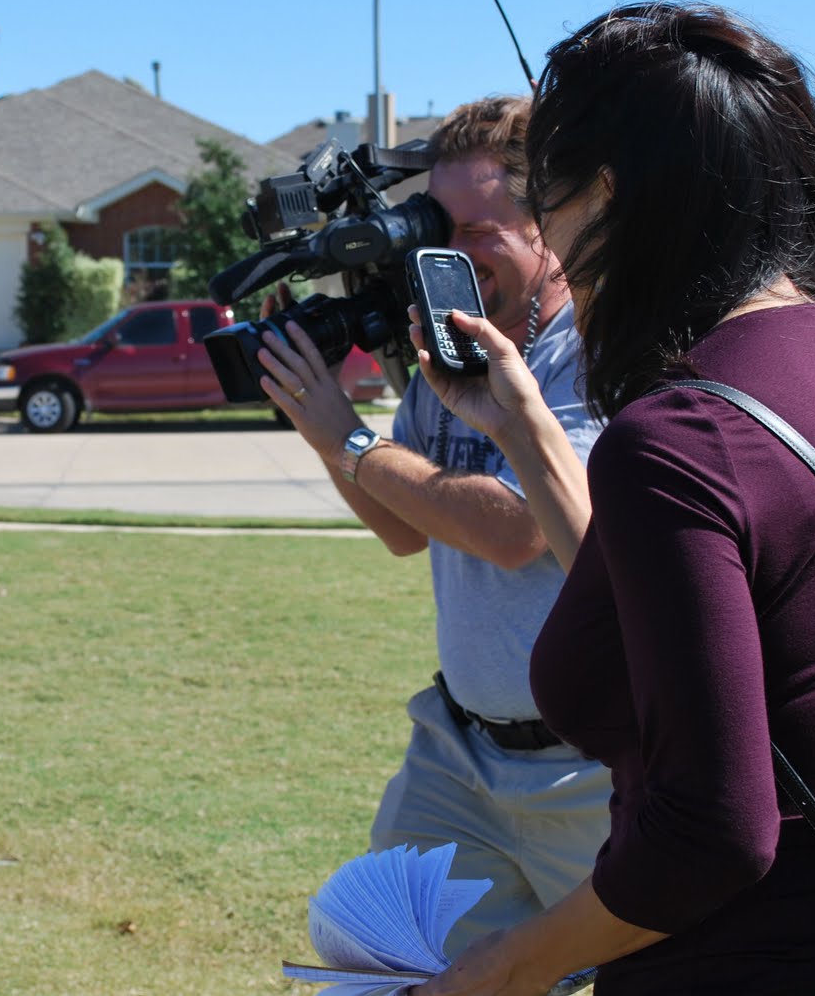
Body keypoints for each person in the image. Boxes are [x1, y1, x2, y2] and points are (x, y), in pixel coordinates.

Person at [410, 1, 815, 995]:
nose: (554, 247)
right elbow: (677, 618)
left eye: (550, 202)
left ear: (607, 195)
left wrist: (492, 974)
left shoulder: (679, 437)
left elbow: (707, 834)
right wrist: (521, 423)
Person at [257, 96, 611, 956]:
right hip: (461, 752)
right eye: (432, 225)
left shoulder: (596, 349)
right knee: (375, 943)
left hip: (588, 770)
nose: (446, 250)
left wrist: (352, 437)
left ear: (548, 223)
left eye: (475, 228)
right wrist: (323, 428)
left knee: (663, 975)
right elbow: (403, 527)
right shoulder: (446, 340)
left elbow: (516, 528)